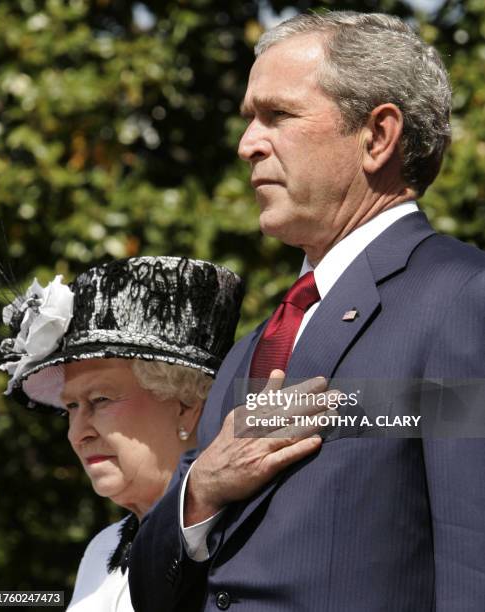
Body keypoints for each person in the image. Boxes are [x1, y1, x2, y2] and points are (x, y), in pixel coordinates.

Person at [129, 11, 485, 612]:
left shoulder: (462, 298)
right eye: (249, 120)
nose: (248, 145)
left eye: (278, 115)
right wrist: (202, 491)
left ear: (378, 136)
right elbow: (153, 594)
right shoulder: (252, 346)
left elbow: (473, 560)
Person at [0, 256, 244, 611]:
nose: (77, 434)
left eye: (100, 399)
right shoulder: (103, 549)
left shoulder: (243, 541)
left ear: (187, 404)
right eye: (71, 407)